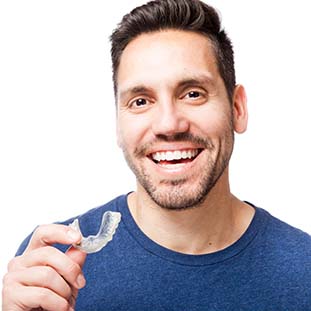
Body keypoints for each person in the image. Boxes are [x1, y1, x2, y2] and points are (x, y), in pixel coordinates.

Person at [2, 0, 311, 310]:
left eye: (193, 93)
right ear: (118, 123)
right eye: (140, 101)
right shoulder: (51, 268)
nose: (168, 124)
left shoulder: (304, 272)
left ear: (237, 109)